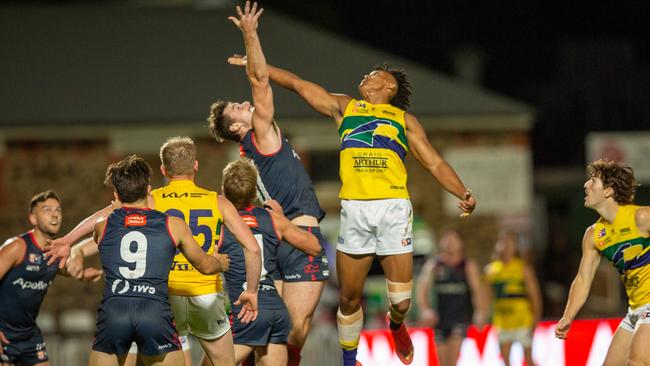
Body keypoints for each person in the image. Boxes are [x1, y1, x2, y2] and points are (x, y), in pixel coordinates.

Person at [224, 29, 476, 365]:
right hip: (355, 209)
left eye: (376, 74)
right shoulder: (345, 106)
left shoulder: (404, 120)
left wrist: (463, 192)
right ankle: (349, 361)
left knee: (400, 301)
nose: (366, 75)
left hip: (393, 207)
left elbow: (433, 161)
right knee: (349, 297)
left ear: (389, 87)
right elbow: (299, 85)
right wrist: (258, 67)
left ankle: (396, 324)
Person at [60, 137, 263, 366]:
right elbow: (253, 249)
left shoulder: (151, 199)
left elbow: (111, 222)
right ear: (195, 165)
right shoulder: (217, 202)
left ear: (163, 170)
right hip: (204, 293)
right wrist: (252, 291)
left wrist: (73, 244)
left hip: (165, 296)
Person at [208, 3, 329, 364]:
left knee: (291, 330)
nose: (245, 104)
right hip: (292, 237)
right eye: (237, 108)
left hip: (286, 237)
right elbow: (260, 82)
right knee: (280, 331)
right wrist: (250, 34)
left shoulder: (250, 154)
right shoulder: (260, 138)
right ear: (235, 127)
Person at [85, 154, 231, 366]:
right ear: (148, 190)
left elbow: (108, 233)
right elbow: (205, 266)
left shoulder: (102, 226)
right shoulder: (173, 224)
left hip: (114, 313)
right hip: (153, 312)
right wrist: (219, 262)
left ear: (116, 194)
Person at [214, 158, 322, 365]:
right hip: (275, 309)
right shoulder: (272, 219)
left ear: (224, 192)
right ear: (255, 193)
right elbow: (314, 246)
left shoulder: (220, 224)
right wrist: (282, 221)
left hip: (246, 308)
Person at [555, 159, 650, 365]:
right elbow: (583, 279)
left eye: (593, 180)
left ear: (608, 191)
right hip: (635, 310)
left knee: (637, 361)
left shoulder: (641, 217)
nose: (585, 185)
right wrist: (568, 316)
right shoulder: (594, 235)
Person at [0, 191, 101, 366]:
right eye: (47, 210)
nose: (55, 215)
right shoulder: (18, 247)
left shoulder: (53, 252)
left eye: (58, 210)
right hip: (4, 333)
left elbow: (57, 269)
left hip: (29, 334)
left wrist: (83, 275)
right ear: (33, 218)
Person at [416, 229, 484, 366]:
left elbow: (478, 291)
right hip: (440, 320)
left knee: (452, 361)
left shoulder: (467, 265)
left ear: (461, 243)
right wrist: (425, 310)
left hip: (459, 318)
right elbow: (422, 288)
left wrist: (480, 312)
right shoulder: (434, 264)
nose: (450, 243)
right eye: (446, 239)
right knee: (442, 362)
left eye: (453, 239)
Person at [483, 231, 541, 366]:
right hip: (502, 322)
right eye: (503, 242)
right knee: (505, 360)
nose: (506, 246)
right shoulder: (491, 270)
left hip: (523, 320)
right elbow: (485, 296)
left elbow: (534, 295)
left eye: (510, 242)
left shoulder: (523, 268)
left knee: (529, 359)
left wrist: (535, 319)